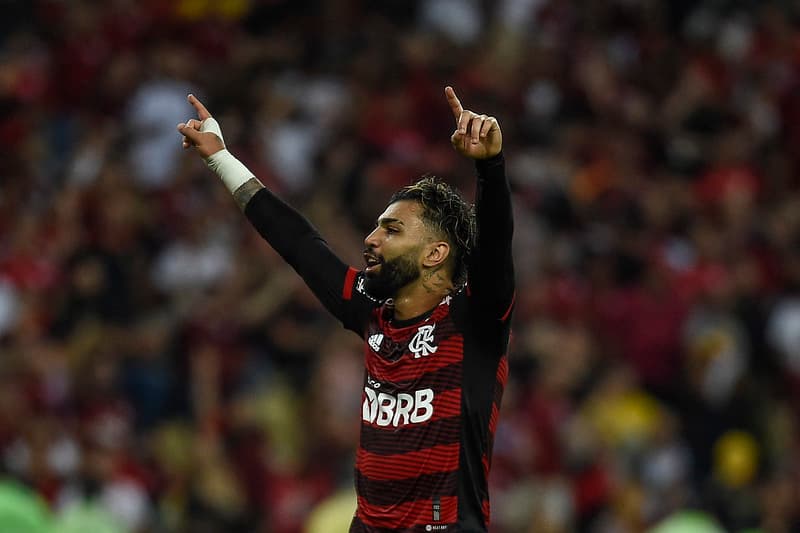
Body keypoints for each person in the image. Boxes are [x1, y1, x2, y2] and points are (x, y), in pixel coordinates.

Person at [177, 86, 514, 532]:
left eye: (391, 230)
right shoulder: (372, 311)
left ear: (435, 254)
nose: (371, 240)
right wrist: (220, 158)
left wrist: (489, 167)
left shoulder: (472, 322)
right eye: (376, 228)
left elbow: (493, 251)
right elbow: (300, 243)